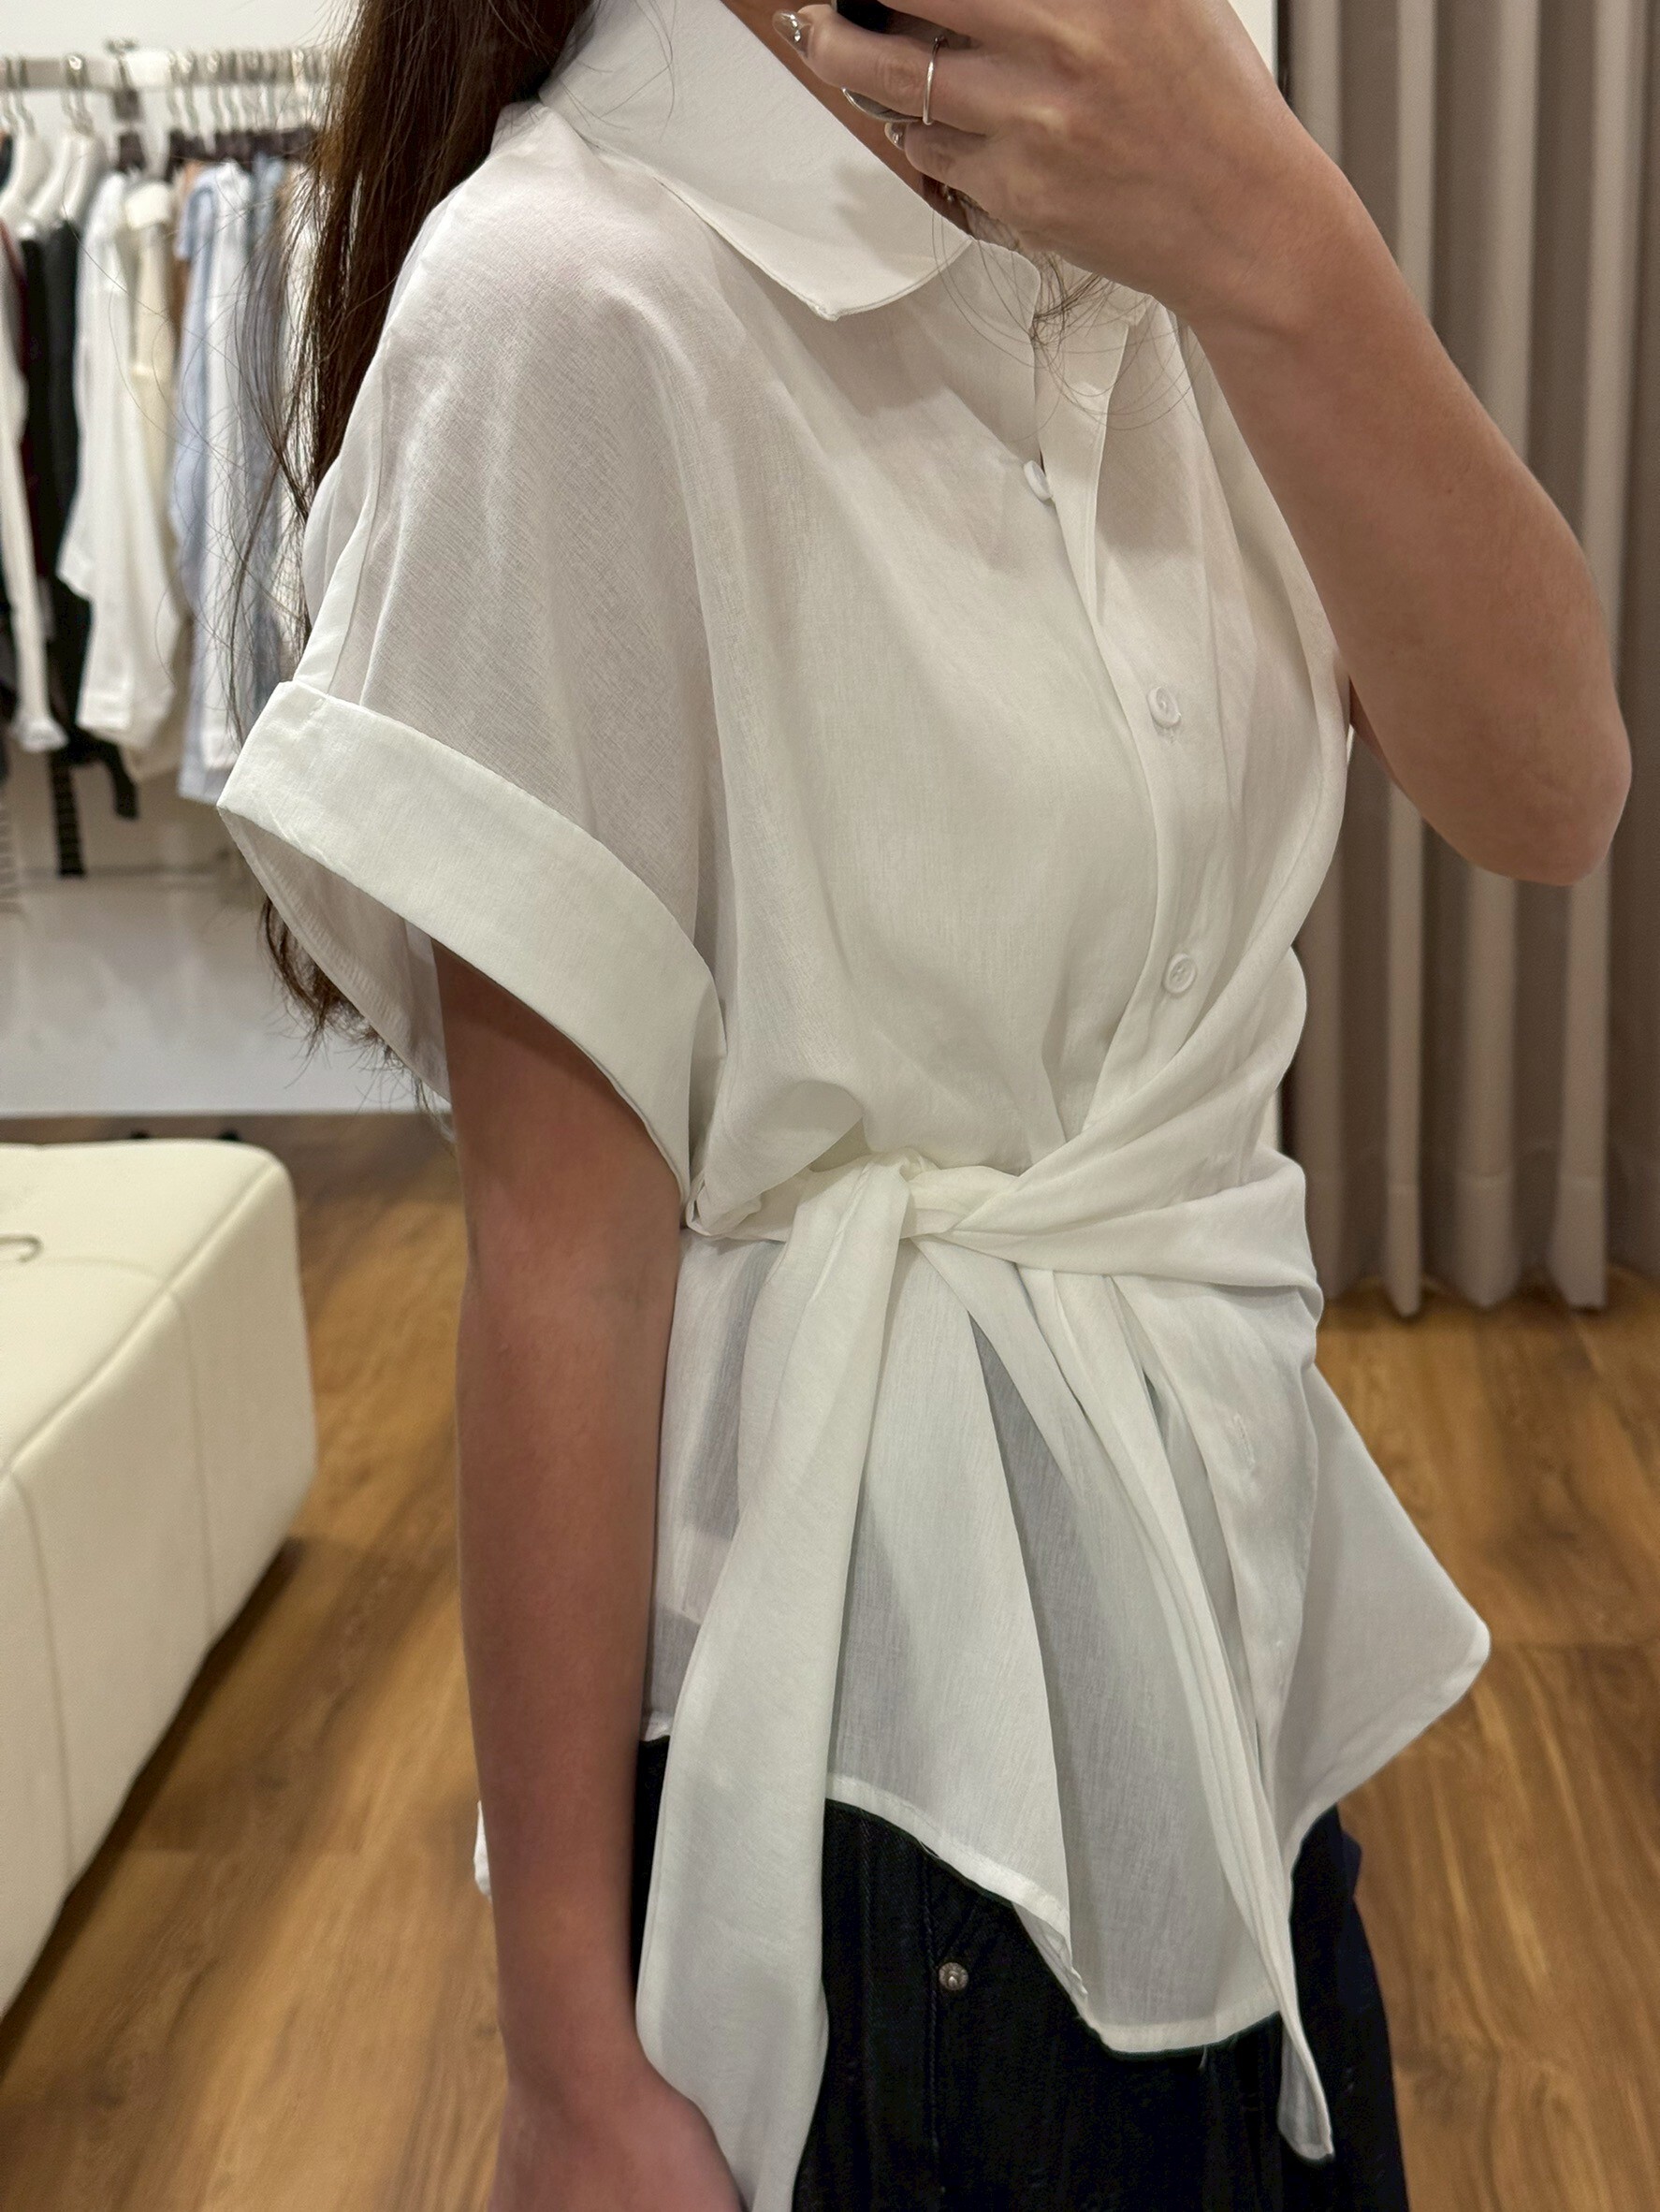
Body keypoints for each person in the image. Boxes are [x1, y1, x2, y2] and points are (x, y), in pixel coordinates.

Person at [218, 0, 1631, 2205]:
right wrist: (567, 2056)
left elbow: (1546, 791)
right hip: (856, 1777)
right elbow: (563, 1260)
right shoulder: (567, 297)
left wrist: (1271, 229)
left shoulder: (1175, 207)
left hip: (1220, 1653)